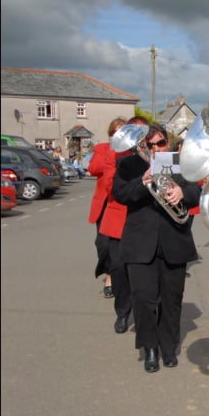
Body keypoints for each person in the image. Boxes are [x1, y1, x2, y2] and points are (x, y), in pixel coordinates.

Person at [112, 123, 201, 373]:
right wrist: (142, 182)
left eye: (160, 143)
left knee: (172, 299)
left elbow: (197, 191)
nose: (155, 149)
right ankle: (149, 347)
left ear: (167, 143)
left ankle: (169, 346)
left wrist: (182, 192)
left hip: (174, 239)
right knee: (143, 298)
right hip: (140, 242)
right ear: (141, 145)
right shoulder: (128, 165)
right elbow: (120, 194)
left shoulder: (177, 162)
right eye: (149, 145)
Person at [90, 117, 137, 335]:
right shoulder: (111, 154)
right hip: (117, 218)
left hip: (141, 220)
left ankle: (144, 310)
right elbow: (110, 187)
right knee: (118, 267)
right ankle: (122, 312)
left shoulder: (144, 153)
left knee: (141, 270)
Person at [89, 116, 126, 299]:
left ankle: (114, 276)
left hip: (122, 203)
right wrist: (111, 152)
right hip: (105, 204)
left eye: (123, 131)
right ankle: (109, 273)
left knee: (119, 245)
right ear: (111, 134)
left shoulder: (130, 151)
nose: (119, 135)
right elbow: (93, 169)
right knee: (103, 244)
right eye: (116, 132)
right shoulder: (102, 148)